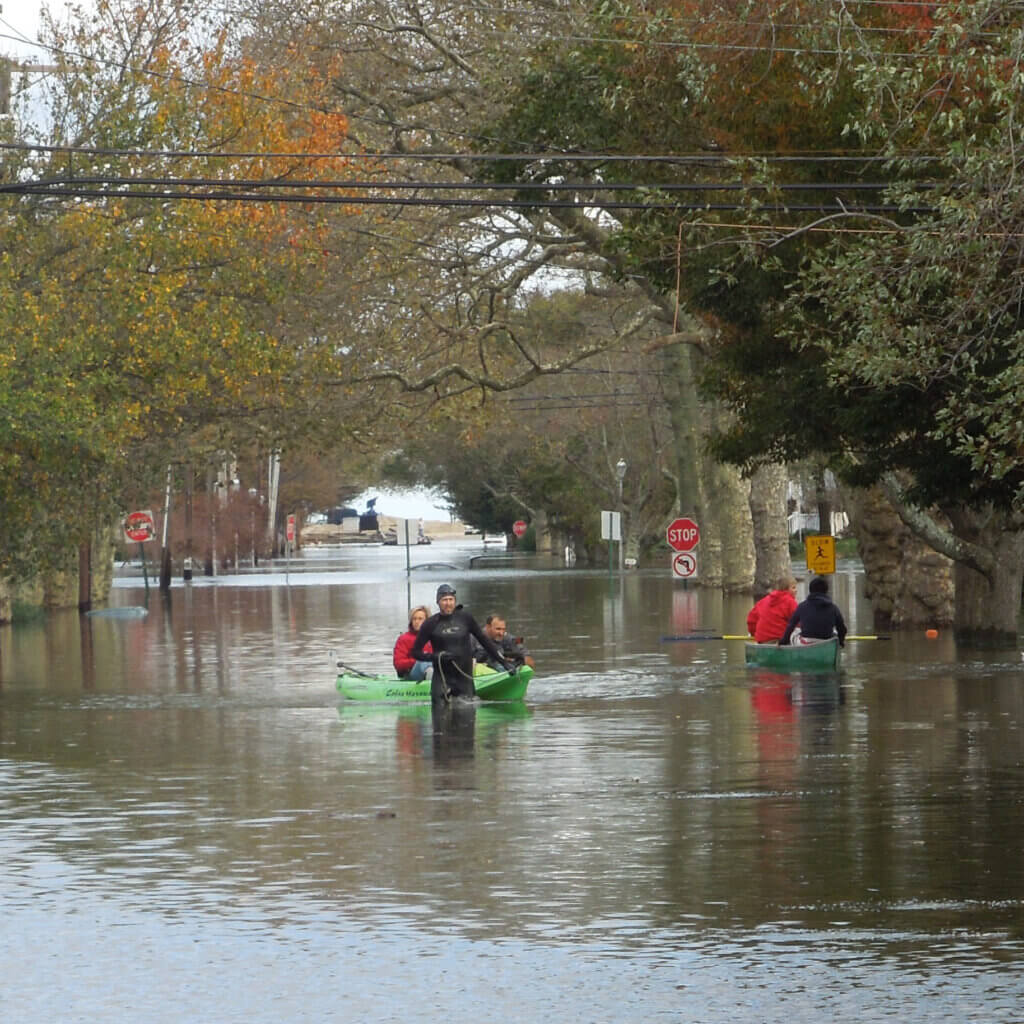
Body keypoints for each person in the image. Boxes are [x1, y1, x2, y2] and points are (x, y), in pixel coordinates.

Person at [411, 583, 510, 701]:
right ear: (438, 602)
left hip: (464, 679)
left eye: (451, 599)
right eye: (444, 600)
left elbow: (485, 642)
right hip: (442, 678)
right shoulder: (430, 623)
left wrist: (504, 663)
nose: (448, 603)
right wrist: (435, 656)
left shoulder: (465, 618)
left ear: (455, 601)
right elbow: (415, 652)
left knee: (466, 712)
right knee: (439, 714)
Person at [780, 575, 847, 647]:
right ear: (826, 590)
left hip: (806, 644)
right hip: (827, 643)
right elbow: (842, 629)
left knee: (795, 631)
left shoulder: (802, 606)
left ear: (810, 591)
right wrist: (841, 641)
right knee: (834, 632)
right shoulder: (833, 608)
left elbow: (791, 626)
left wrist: (783, 641)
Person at [746, 575, 799, 644]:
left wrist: (754, 633)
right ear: (785, 589)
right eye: (793, 588)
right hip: (780, 641)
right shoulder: (790, 602)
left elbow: (751, 620)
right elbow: (798, 622)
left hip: (762, 641)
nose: (796, 590)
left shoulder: (764, 600)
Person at [393, 605, 433, 681]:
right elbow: (398, 663)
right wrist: (417, 660)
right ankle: (431, 687)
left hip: (435, 670)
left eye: (420, 619)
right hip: (412, 675)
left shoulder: (434, 637)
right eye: (414, 619)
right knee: (424, 660)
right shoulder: (404, 639)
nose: (417, 622)